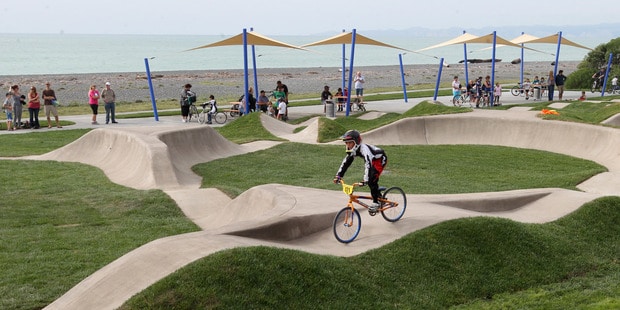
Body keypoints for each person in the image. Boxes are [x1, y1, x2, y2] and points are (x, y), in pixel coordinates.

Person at [333, 130, 387, 213]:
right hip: (372, 160)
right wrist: (338, 176)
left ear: (356, 142)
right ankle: (378, 194)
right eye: (346, 143)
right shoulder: (353, 150)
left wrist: (365, 180)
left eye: (350, 143)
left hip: (379, 159)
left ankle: (376, 203)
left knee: (371, 179)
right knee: (370, 179)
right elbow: (345, 163)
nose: (348, 145)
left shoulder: (364, 150)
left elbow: (368, 165)